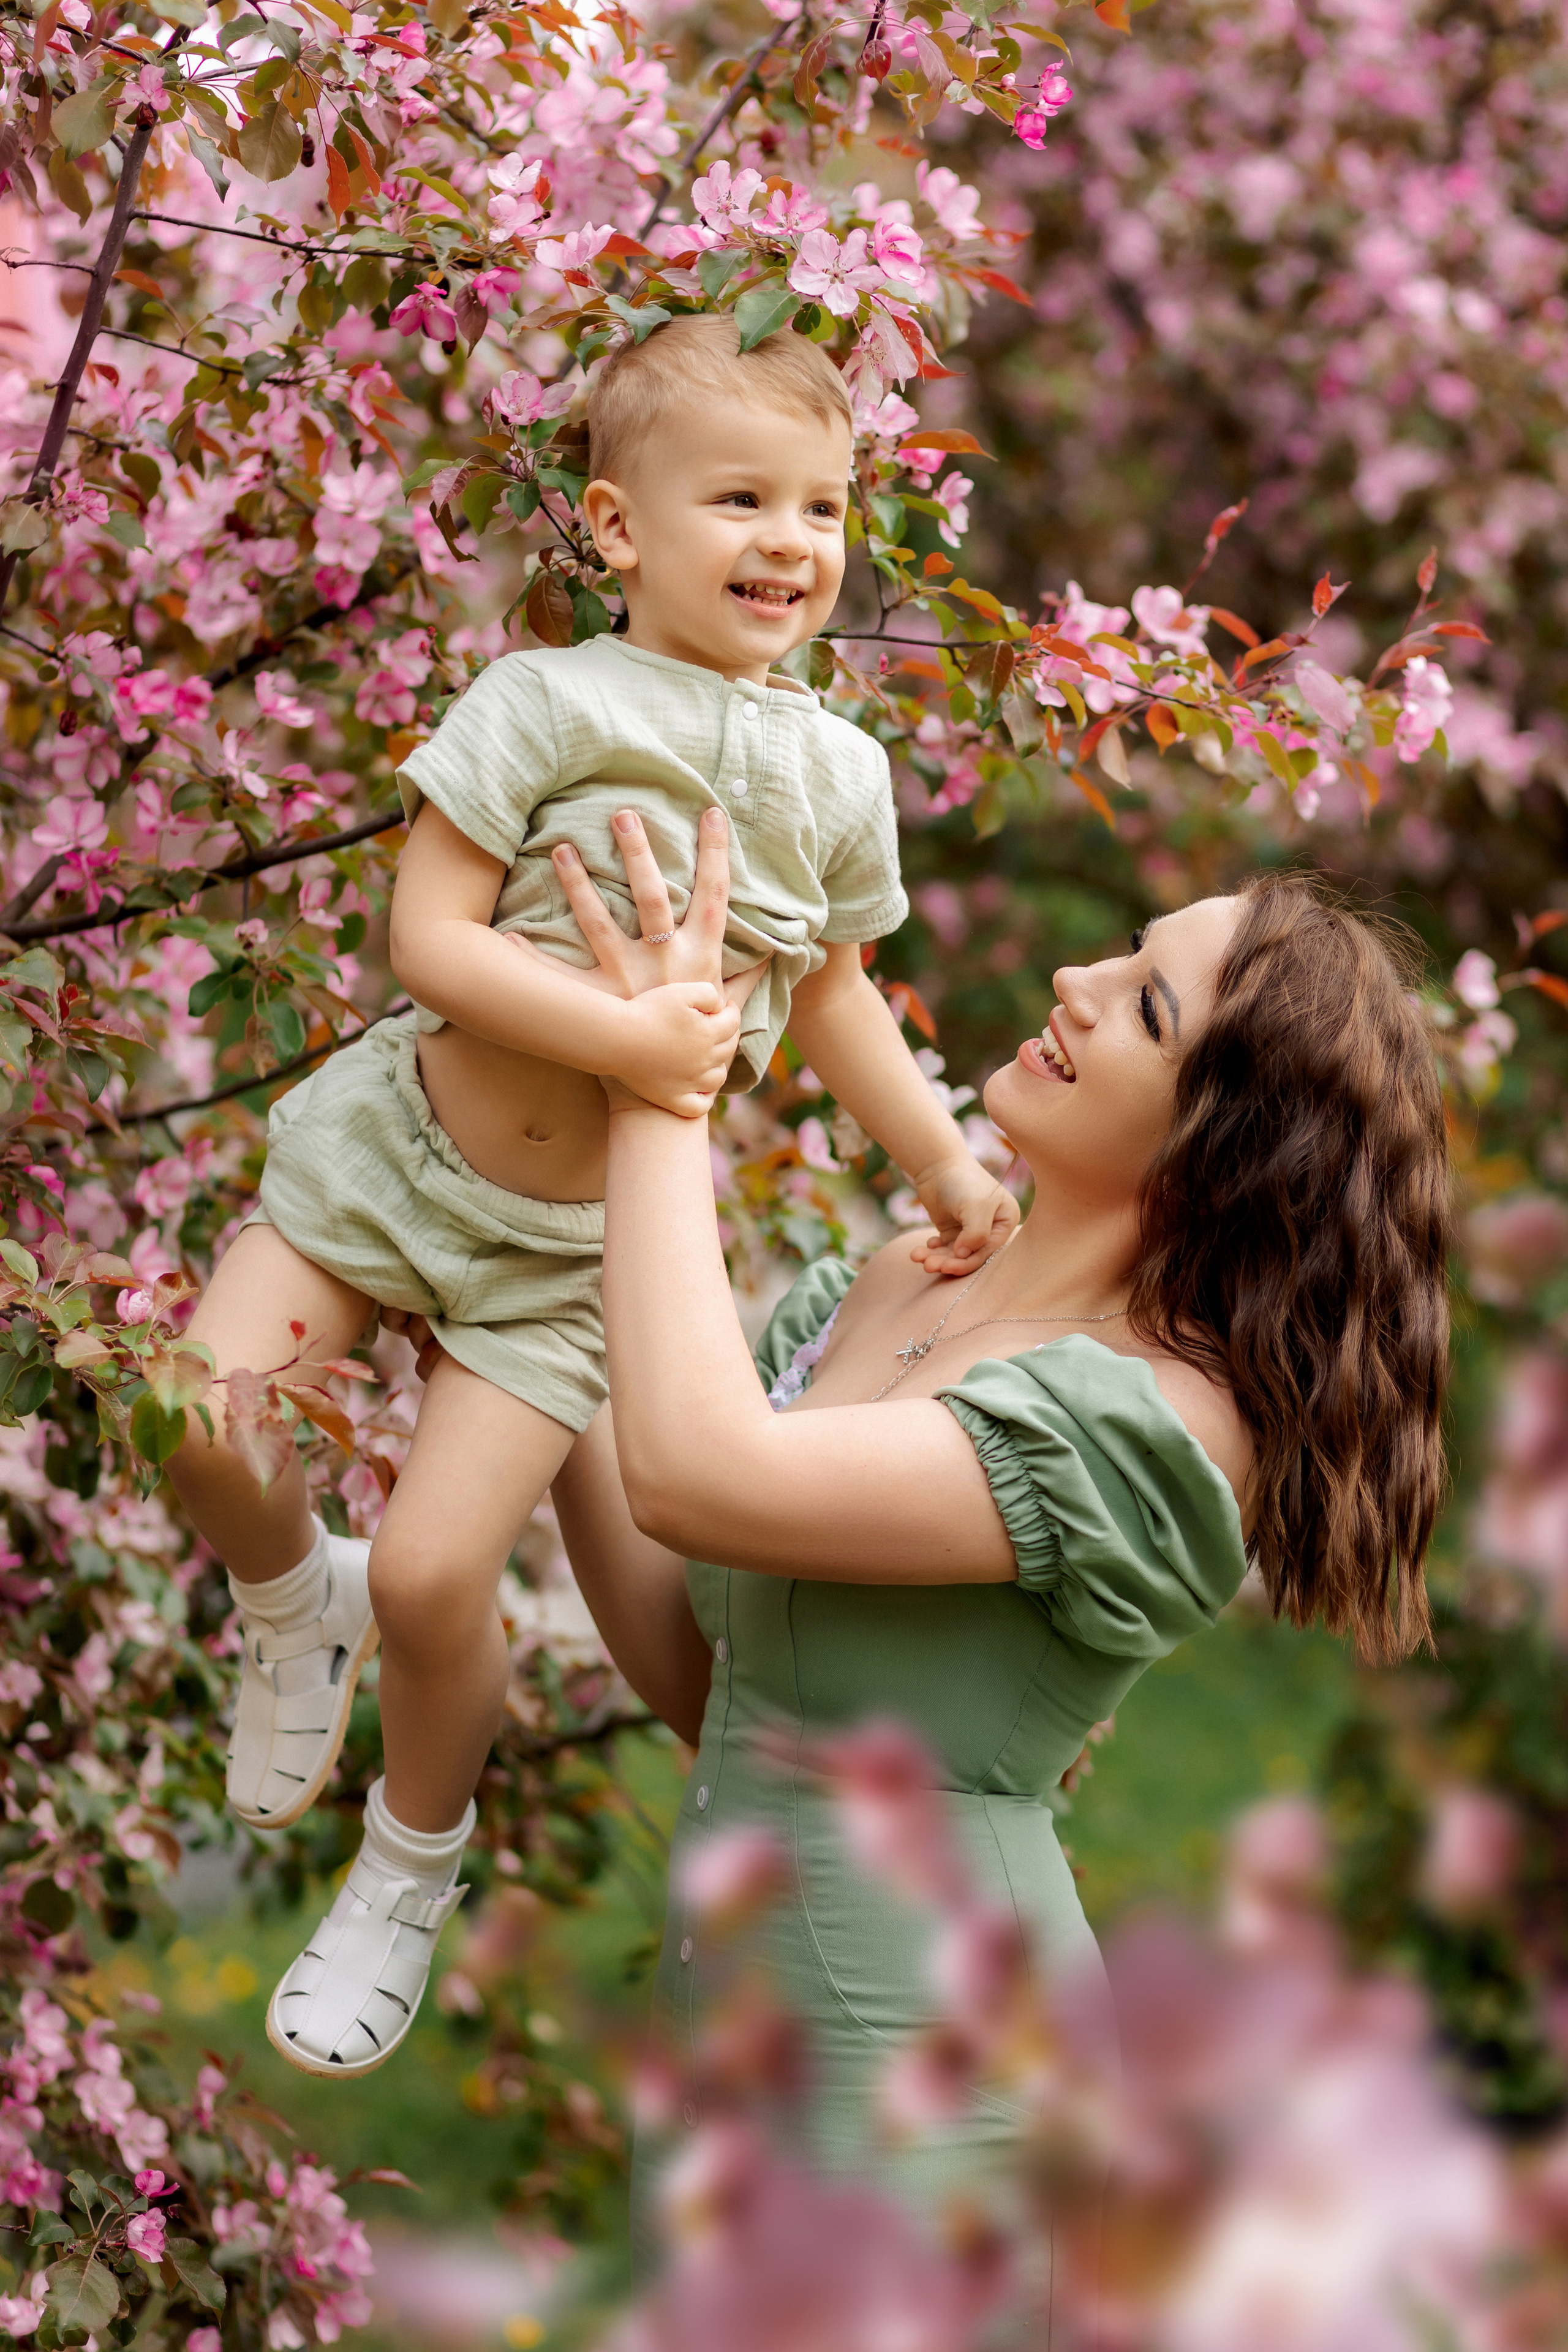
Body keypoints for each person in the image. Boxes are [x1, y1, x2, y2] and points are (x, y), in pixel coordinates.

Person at [164, 316, 1015, 2080]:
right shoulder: (546, 702)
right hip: (398, 1157)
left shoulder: (840, 775)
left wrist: (938, 1156)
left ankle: (408, 1861)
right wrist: (628, 1039)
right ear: (619, 529)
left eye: (823, 506)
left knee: (431, 1577)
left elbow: (836, 993)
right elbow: (430, 937)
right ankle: (288, 1599)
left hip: (569, 1262)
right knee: (197, 1417)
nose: (792, 540)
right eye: (740, 498)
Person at [545, 812, 1452, 2248]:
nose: (1075, 982)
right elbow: (726, 1685)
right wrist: (512, 1324)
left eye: (1144, 1007)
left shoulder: (1149, 1424)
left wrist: (657, 1091)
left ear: (1219, 1144)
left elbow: (699, 1472)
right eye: (1124, 952)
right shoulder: (899, 1282)